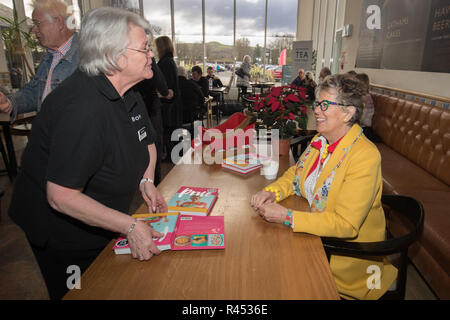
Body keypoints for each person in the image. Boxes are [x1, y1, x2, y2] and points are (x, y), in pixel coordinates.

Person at [8, 7, 168, 300]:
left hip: (101, 215)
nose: (151, 56)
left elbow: (146, 141)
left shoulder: (128, 90)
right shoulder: (82, 108)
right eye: (144, 48)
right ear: (113, 57)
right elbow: (62, 196)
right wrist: (130, 225)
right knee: (85, 290)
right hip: (60, 230)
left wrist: (146, 180)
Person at [250, 74, 397, 300]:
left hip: (344, 261)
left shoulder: (365, 157)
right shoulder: (320, 141)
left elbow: (346, 225)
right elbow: (295, 175)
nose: (316, 110)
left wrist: (287, 217)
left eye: (325, 104)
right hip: (315, 238)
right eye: (317, 103)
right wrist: (272, 191)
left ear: (349, 113)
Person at [0, 0, 78, 119]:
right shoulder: (51, 56)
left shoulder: (89, 56)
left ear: (60, 23)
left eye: (38, 23)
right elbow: (35, 92)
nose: (33, 30)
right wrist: (10, 103)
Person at [134, 57, 173, 185]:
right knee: (154, 141)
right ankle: (153, 181)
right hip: (150, 106)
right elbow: (160, 81)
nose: (150, 52)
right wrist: (165, 92)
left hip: (131, 103)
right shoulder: (148, 58)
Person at [155, 35, 182, 161]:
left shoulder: (164, 63)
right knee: (172, 131)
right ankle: (174, 155)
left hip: (167, 104)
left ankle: (171, 157)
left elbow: (164, 86)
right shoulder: (170, 61)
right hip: (174, 103)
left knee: (168, 131)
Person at [356, 73, 376, 141]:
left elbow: (362, 118)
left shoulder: (366, 98)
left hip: (365, 129)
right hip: (360, 126)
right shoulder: (360, 97)